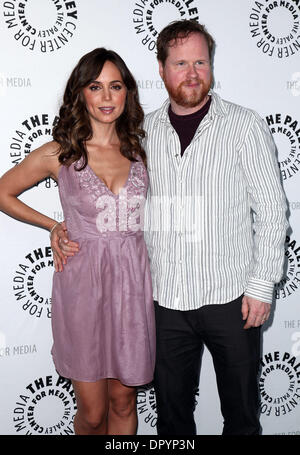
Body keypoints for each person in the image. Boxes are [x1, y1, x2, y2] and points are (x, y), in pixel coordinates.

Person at [52, 20, 288, 435]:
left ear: (211, 66)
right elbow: (109, 206)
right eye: (180, 63)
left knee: (242, 417)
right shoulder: (140, 135)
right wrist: (59, 226)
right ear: (161, 70)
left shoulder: (245, 125)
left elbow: (272, 211)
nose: (192, 73)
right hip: (161, 302)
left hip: (232, 299)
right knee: (172, 422)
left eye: (200, 61)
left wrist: (262, 286)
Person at [0, 48, 155, 435]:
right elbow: (4, 192)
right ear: (81, 94)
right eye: (95, 86)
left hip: (133, 286)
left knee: (124, 401)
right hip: (82, 287)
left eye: (115, 87)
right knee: (91, 412)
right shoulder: (60, 152)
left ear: (127, 93)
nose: (106, 97)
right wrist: (53, 226)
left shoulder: (142, 151)